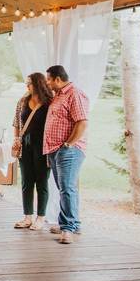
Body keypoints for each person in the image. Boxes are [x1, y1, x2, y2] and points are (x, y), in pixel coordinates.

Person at [43, 65, 90, 245]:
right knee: (65, 188)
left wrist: (68, 144)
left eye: (48, 79)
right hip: (55, 149)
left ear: (57, 79)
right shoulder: (58, 95)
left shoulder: (74, 94)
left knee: (67, 188)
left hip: (69, 150)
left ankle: (68, 228)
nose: (47, 83)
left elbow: (82, 122)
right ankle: (72, 223)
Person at [12, 73, 53, 230]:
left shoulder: (49, 102)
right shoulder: (23, 101)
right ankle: (27, 216)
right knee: (26, 181)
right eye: (26, 83)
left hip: (43, 146)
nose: (27, 86)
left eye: (29, 83)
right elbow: (16, 122)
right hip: (25, 145)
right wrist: (16, 139)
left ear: (38, 84)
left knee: (42, 182)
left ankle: (40, 218)